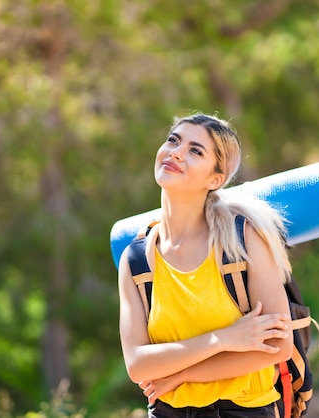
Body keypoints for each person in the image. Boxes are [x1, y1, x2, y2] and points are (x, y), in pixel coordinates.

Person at [118, 113, 294, 417]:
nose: (176, 152)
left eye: (195, 151)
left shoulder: (242, 241)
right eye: (174, 140)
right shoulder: (135, 259)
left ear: (215, 179)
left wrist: (181, 374)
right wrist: (225, 339)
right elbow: (137, 364)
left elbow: (278, 346)